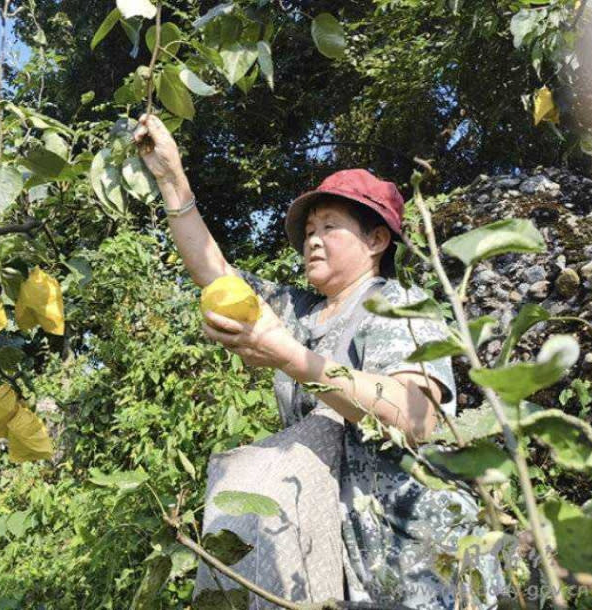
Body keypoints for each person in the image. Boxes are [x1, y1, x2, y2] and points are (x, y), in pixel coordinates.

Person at [133, 114, 504, 608]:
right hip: (341, 564)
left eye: (330, 226)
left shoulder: (396, 306)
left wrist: (292, 358)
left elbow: (415, 416)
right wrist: (171, 178)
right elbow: (214, 271)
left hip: (421, 562)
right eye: (309, 229)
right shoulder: (299, 315)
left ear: (376, 241)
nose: (312, 239)